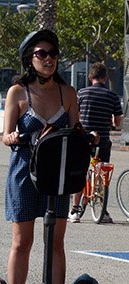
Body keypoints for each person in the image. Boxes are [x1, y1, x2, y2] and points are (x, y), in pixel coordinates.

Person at [2, 29, 96, 284]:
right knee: (22, 241)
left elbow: (76, 130)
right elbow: (5, 135)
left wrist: (88, 136)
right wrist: (14, 136)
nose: (49, 59)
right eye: (42, 54)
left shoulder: (68, 93)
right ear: (30, 59)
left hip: (57, 174)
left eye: (53, 54)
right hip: (23, 173)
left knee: (55, 241)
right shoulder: (18, 93)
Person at [69, 62, 123, 224]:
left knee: (80, 172)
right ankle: (103, 209)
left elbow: (74, 116)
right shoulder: (112, 96)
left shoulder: (82, 94)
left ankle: (75, 210)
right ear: (105, 78)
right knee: (102, 173)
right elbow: (118, 122)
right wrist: (112, 123)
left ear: (90, 77)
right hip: (104, 140)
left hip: (84, 139)